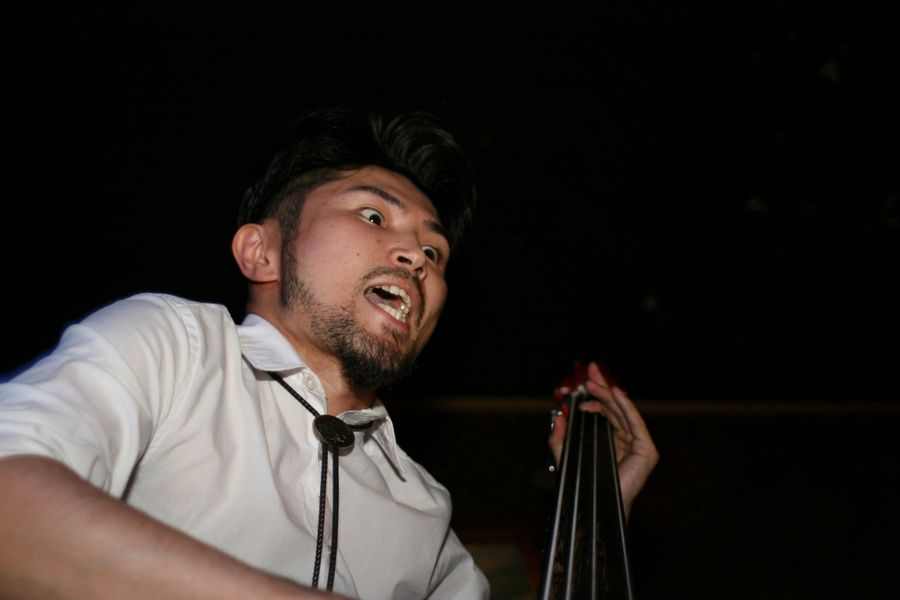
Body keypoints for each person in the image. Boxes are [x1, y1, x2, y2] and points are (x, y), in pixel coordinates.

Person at [0, 105, 658, 599]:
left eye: (435, 251)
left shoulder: (427, 510)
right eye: (373, 216)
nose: (416, 255)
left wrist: (599, 516)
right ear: (261, 251)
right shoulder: (177, 346)